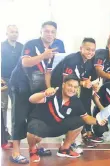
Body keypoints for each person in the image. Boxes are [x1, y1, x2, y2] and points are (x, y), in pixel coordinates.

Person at [9, 21, 64, 164]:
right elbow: (25, 63)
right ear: (41, 32)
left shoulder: (58, 45)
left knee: (35, 116)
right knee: (19, 117)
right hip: (21, 85)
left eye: (52, 31)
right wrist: (43, 56)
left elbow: (55, 67)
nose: (49, 34)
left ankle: (36, 146)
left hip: (39, 86)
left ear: (56, 33)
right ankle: (16, 152)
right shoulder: (31, 44)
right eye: (46, 31)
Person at [26, 75, 107, 163]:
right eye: (70, 85)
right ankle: (33, 150)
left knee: (79, 121)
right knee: (34, 129)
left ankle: (64, 149)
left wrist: (97, 121)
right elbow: (31, 99)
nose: (72, 89)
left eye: (75, 87)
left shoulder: (76, 100)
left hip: (57, 127)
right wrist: (44, 93)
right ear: (63, 84)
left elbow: (86, 117)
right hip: (41, 125)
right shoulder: (53, 93)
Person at [48, 38, 99, 146]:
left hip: (74, 85)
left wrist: (93, 84)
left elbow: (87, 78)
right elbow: (67, 80)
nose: (90, 52)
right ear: (81, 48)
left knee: (86, 98)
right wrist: (83, 83)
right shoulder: (73, 60)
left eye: (93, 50)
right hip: (60, 86)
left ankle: (86, 132)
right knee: (74, 107)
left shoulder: (89, 60)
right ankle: (68, 139)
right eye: (87, 49)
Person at [1, 25, 23, 133]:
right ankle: (4, 132)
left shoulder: (21, 47)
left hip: (17, 81)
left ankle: (16, 131)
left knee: (16, 106)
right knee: (3, 106)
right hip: (3, 80)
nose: (14, 34)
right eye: (12, 32)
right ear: (7, 33)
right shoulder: (2, 46)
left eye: (16, 32)